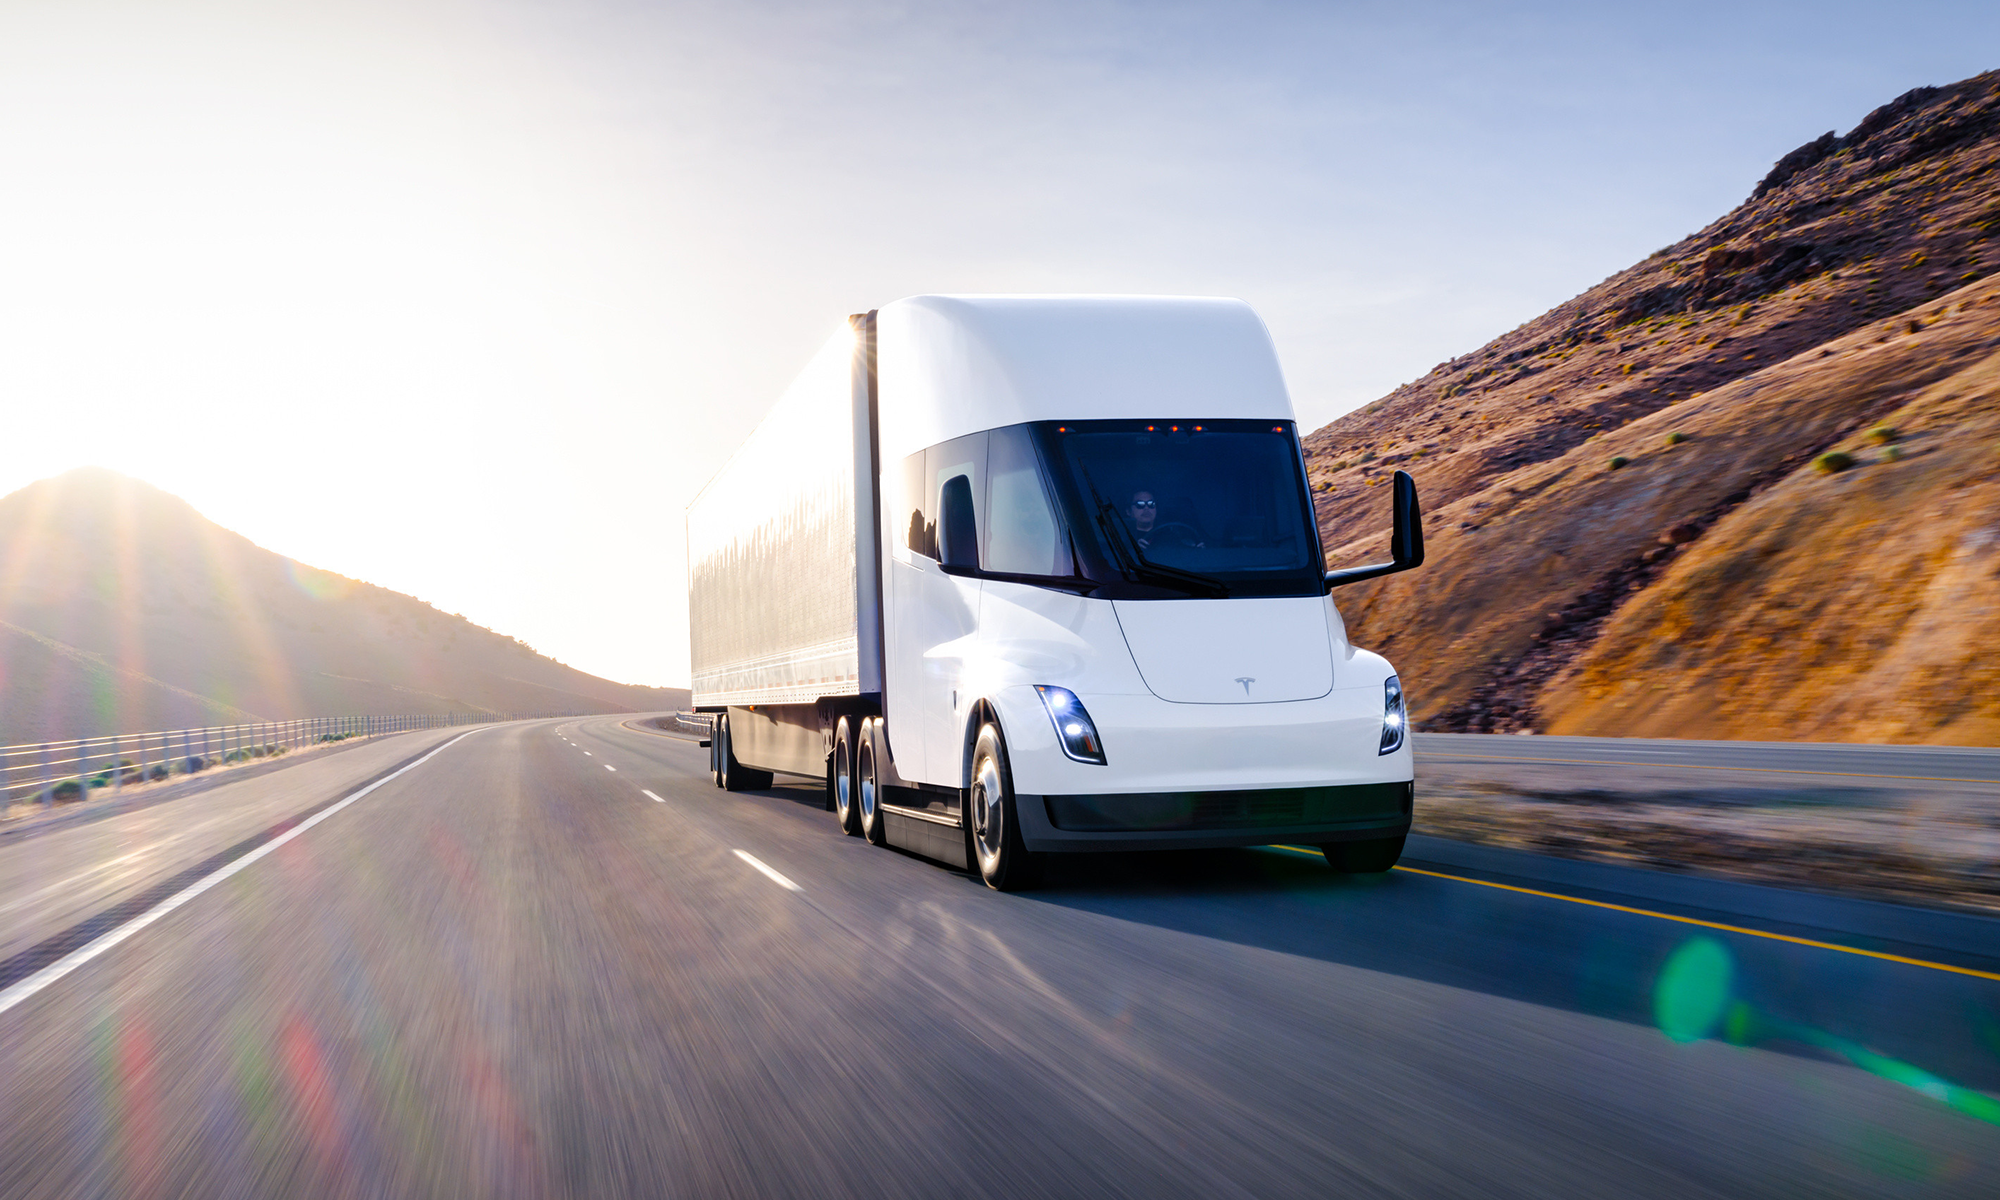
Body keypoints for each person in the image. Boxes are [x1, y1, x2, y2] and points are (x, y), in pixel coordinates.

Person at [1127, 490, 1202, 551]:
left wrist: (1198, 552)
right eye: (1140, 504)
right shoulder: (1122, 539)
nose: (1146, 508)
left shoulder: (1171, 535)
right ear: (1128, 511)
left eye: (1151, 504)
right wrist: (1133, 550)